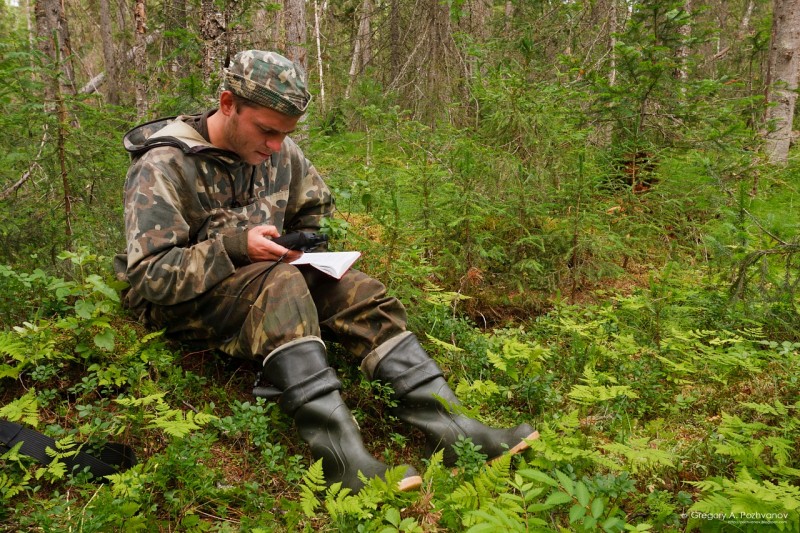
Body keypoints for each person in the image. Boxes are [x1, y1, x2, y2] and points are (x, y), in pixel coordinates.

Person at [114, 50, 537, 493]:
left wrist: (301, 248)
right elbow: (152, 277)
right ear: (227, 104)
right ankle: (341, 461)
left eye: (286, 134)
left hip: (264, 280)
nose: (275, 146)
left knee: (354, 287)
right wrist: (237, 247)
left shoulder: (281, 152)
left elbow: (315, 216)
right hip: (181, 303)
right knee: (279, 284)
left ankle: (453, 431)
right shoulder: (162, 165)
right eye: (266, 131)